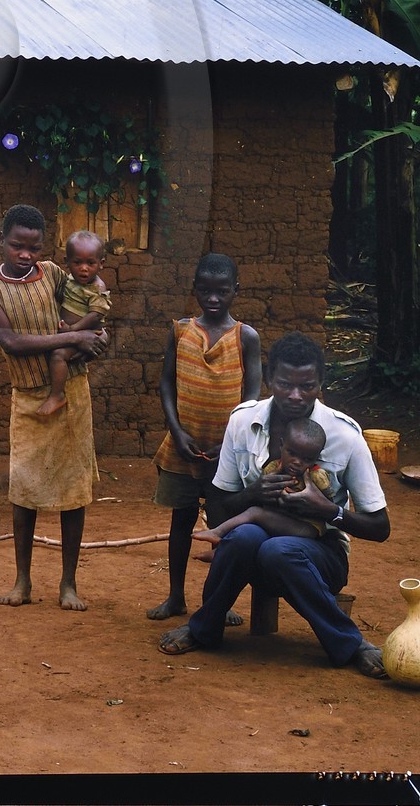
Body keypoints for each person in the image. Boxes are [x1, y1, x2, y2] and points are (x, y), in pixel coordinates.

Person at [158, 332, 390, 679]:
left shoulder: (345, 436)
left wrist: (327, 511)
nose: (295, 396)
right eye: (284, 384)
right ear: (268, 380)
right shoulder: (242, 422)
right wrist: (254, 494)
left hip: (318, 557)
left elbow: (380, 527)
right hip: (249, 551)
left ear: (320, 384)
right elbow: (220, 508)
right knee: (247, 537)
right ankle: (204, 628)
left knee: (278, 550)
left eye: (307, 386)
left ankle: (351, 643)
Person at [0, 204, 107, 610]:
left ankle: (68, 584)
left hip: (73, 393)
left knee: (74, 490)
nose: (25, 255)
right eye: (17, 246)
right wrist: (70, 341)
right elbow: (10, 341)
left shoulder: (53, 273)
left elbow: (89, 291)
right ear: (2, 242)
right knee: (23, 490)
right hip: (29, 396)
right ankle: (22, 581)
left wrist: (94, 331)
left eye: (32, 247)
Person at [145, 252, 262, 622]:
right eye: (206, 291)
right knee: (180, 523)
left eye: (222, 291)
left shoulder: (246, 337)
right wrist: (176, 431)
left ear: (235, 291)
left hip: (227, 454)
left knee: (222, 527)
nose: (213, 298)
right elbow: (165, 382)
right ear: (195, 289)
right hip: (183, 448)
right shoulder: (180, 331)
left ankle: (218, 601)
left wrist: (229, 441)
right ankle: (176, 596)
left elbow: (252, 398)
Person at [192, 416, 331, 558]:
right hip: (281, 519)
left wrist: (308, 498)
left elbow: (328, 503)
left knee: (255, 513)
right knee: (251, 527)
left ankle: (218, 533)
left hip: (306, 527)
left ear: (316, 458)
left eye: (306, 459)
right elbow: (263, 492)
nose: (297, 462)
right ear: (282, 446)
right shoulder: (273, 468)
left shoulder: (316, 476)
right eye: (292, 453)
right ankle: (222, 551)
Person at [40, 230, 111, 417]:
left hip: (86, 333)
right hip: (72, 336)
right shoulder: (69, 280)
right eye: (77, 263)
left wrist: (73, 330)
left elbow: (96, 315)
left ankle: (57, 395)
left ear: (101, 264)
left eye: (90, 263)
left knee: (58, 356)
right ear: (67, 262)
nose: (84, 269)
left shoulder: (97, 287)